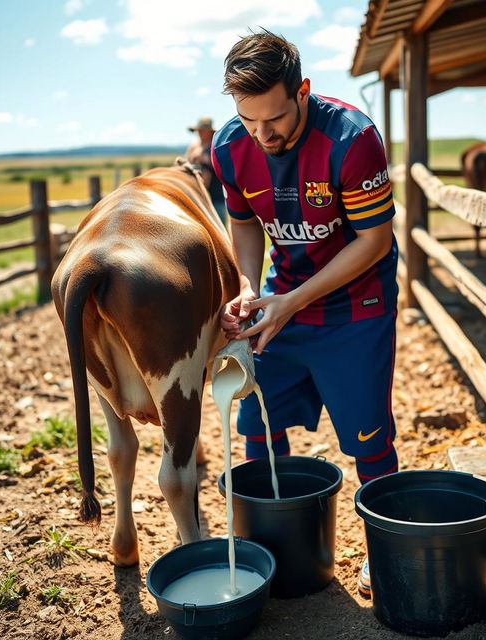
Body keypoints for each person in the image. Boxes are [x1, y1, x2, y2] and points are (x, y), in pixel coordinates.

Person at [211, 30, 398, 598]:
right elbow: (244, 224)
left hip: (354, 312)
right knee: (258, 425)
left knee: (368, 439)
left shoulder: (352, 138)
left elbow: (372, 241)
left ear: (303, 92)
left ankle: (381, 554)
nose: (262, 135)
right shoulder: (229, 148)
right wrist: (247, 285)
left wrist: (292, 301)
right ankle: (272, 549)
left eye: (274, 120)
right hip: (279, 304)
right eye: (248, 121)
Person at [185, 116, 227, 223]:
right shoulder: (193, 147)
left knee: (219, 227)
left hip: (215, 196)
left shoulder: (216, 148)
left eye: (202, 131)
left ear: (210, 132)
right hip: (195, 196)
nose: (199, 134)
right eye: (198, 131)